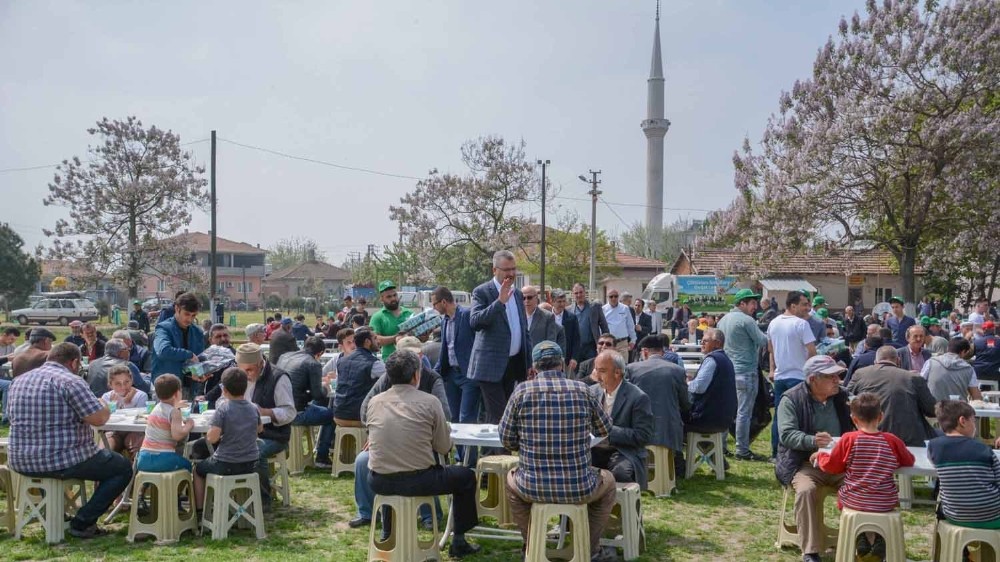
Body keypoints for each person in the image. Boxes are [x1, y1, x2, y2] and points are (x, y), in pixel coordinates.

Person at [499, 341, 617, 562]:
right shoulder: (583, 390)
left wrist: (523, 444)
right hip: (579, 486)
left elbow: (506, 439)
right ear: (562, 364)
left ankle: (531, 543)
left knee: (510, 481)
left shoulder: (521, 391)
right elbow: (605, 429)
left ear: (534, 367)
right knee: (608, 482)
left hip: (532, 485)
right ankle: (590, 548)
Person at [7, 342, 132, 538]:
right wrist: (103, 404)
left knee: (47, 467)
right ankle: (83, 521)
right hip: (61, 459)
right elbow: (99, 419)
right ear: (74, 362)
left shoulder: (19, 381)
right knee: (122, 467)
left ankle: (52, 514)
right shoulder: (70, 381)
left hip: (20, 459)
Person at [366, 350, 481, 558]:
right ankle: (459, 539)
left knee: (393, 476)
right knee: (465, 476)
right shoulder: (429, 402)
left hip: (378, 479)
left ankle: (388, 534)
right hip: (420, 479)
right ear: (416, 375)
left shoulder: (374, 402)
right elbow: (443, 447)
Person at [350, 337, 451, 529]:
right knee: (362, 461)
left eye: (416, 354)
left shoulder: (432, 378)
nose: (415, 359)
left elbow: (445, 414)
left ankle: (429, 515)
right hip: (389, 444)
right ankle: (367, 512)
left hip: (422, 443)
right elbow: (365, 408)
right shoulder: (388, 378)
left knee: (422, 462)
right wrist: (376, 433)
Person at [813, 393, 915, 559]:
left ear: (854, 419)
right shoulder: (892, 440)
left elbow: (833, 466)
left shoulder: (849, 439)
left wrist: (820, 457)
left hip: (854, 499)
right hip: (884, 501)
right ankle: (877, 538)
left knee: (849, 498)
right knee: (876, 505)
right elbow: (908, 460)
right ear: (880, 416)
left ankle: (861, 537)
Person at [775, 355, 854, 562]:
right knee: (806, 490)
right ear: (813, 379)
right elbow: (786, 434)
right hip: (805, 464)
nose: (837, 380)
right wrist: (812, 441)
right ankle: (810, 551)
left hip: (840, 463)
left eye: (838, 375)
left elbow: (859, 423)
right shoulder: (791, 398)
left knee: (864, 485)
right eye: (831, 377)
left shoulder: (843, 397)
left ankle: (863, 541)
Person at [203, 343, 295, 510]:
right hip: (236, 433)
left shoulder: (278, 378)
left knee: (254, 452)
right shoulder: (236, 375)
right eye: (242, 370)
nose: (245, 375)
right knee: (204, 447)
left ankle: (261, 501)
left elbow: (289, 412)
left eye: (250, 370)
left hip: (272, 435)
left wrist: (265, 411)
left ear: (261, 364)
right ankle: (220, 501)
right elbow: (221, 399)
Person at [468, 250, 531, 424]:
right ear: (494, 270)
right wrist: (499, 303)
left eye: (514, 269)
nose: (511, 274)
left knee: (502, 416)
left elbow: (523, 330)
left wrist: (529, 362)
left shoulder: (517, 294)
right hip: (490, 366)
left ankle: (492, 452)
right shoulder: (482, 292)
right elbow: (475, 322)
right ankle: (502, 451)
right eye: (506, 270)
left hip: (512, 364)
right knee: (501, 417)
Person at [193, 367, 262, 512]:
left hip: (226, 462)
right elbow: (259, 429)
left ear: (224, 390)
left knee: (198, 470)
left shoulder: (223, 409)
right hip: (251, 462)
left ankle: (201, 510)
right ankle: (239, 509)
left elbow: (212, 438)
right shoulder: (254, 408)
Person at [928, 400, 1000, 530]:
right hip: (993, 516)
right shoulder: (983, 449)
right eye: (973, 421)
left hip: (954, 515)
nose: (975, 426)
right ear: (962, 421)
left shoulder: (934, 446)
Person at [717, 289, 770, 461]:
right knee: (744, 413)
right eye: (752, 303)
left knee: (727, 411)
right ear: (742, 303)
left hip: (728, 371)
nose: (755, 306)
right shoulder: (747, 320)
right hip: (746, 371)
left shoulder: (723, 319)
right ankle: (742, 449)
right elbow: (763, 341)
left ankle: (722, 446)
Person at [626, 335, 690, 476]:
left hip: (638, 428)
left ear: (645, 351)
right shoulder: (677, 370)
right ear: (662, 352)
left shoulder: (631, 369)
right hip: (669, 429)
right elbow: (685, 402)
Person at [847, 346, 937, 447]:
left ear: (875, 361)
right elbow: (932, 410)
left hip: (870, 436)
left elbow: (847, 398)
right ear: (898, 360)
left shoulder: (860, 374)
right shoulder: (913, 378)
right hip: (907, 440)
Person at [589, 350, 654, 487]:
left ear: (617, 373)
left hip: (624, 451)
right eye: (596, 369)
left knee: (620, 473)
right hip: (594, 450)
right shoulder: (592, 392)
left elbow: (643, 435)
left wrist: (607, 431)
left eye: (602, 371)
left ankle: (622, 507)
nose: (597, 375)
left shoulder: (638, 397)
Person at [767, 291, 818, 458]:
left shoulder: (773, 323)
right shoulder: (801, 324)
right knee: (802, 417)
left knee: (780, 417)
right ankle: (798, 452)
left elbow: (771, 350)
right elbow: (812, 352)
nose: (808, 308)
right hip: (799, 377)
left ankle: (776, 452)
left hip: (780, 377)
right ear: (793, 305)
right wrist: (811, 373)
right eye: (804, 304)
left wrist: (772, 369)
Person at [278, 335, 335, 468]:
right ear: (320, 353)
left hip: (278, 410)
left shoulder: (285, 356)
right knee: (332, 416)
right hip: (297, 412)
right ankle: (322, 456)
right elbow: (318, 395)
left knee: (317, 407)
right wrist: (326, 387)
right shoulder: (313, 363)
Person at [431, 286, 480, 431]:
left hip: (468, 375)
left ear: (444, 302)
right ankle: (459, 454)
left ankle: (468, 454)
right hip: (451, 375)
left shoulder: (467, 315)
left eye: (434, 304)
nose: (433, 307)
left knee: (466, 418)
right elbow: (446, 350)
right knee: (453, 417)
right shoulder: (444, 321)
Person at [683, 328, 737, 442]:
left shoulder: (712, 359)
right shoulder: (726, 359)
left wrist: (686, 383)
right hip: (724, 418)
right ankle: (714, 457)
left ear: (717, 343)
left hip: (707, 418)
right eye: (701, 341)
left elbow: (699, 388)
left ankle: (678, 458)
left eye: (705, 341)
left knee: (672, 419)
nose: (702, 343)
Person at [136, 373, 194, 473]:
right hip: (164, 458)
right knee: (188, 465)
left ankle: (148, 488)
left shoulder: (156, 407)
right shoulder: (174, 412)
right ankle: (180, 488)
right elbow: (177, 435)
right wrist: (189, 424)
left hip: (143, 458)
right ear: (177, 393)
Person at [333, 328, 385, 427]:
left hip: (338, 413)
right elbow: (393, 377)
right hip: (360, 415)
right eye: (375, 338)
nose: (378, 341)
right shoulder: (374, 363)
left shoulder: (341, 360)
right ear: (367, 342)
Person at [151, 292, 205, 385]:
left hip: (190, 387)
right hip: (165, 386)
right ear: (177, 308)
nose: (190, 319)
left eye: (194, 315)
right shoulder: (163, 328)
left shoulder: (197, 332)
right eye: (187, 314)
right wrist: (189, 354)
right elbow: (163, 351)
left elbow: (198, 358)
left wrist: (199, 374)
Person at [101, 364, 150, 458]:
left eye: (126, 382)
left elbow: (140, 421)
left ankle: (134, 470)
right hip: (113, 432)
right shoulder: (106, 397)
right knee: (105, 449)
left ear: (132, 380)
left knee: (138, 448)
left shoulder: (141, 396)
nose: (123, 387)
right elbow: (105, 421)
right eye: (118, 383)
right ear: (110, 384)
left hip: (134, 431)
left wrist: (127, 404)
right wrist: (112, 405)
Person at [921, 338, 982, 402]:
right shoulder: (969, 369)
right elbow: (976, 397)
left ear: (947, 348)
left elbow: (920, 383)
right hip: (958, 409)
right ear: (963, 352)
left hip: (932, 408)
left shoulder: (931, 362)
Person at [369, 280, 413, 360]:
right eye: (389, 297)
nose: (393, 298)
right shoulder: (377, 317)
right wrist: (396, 338)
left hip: (412, 360)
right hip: (391, 362)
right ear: (381, 299)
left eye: (394, 295)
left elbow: (420, 338)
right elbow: (375, 339)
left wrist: (424, 335)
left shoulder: (409, 313)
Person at [572, 282, 609, 365]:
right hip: (576, 349)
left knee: (592, 371)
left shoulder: (594, 307)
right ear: (573, 295)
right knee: (576, 375)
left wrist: (606, 344)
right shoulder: (569, 310)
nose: (579, 295)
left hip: (591, 347)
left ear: (585, 292)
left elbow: (604, 327)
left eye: (581, 292)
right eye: (576, 293)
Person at [602, 289, 637, 361]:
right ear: (607, 297)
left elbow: (630, 325)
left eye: (615, 296)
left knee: (623, 368)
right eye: (611, 296)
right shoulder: (603, 309)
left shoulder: (625, 308)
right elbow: (600, 327)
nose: (613, 298)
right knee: (609, 367)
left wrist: (633, 340)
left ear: (618, 297)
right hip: (608, 344)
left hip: (622, 343)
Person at [551, 289, 580, 373]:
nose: (562, 304)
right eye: (559, 302)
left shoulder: (572, 318)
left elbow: (576, 339)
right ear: (552, 302)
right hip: (549, 358)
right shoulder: (546, 316)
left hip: (566, 360)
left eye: (564, 301)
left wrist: (574, 358)